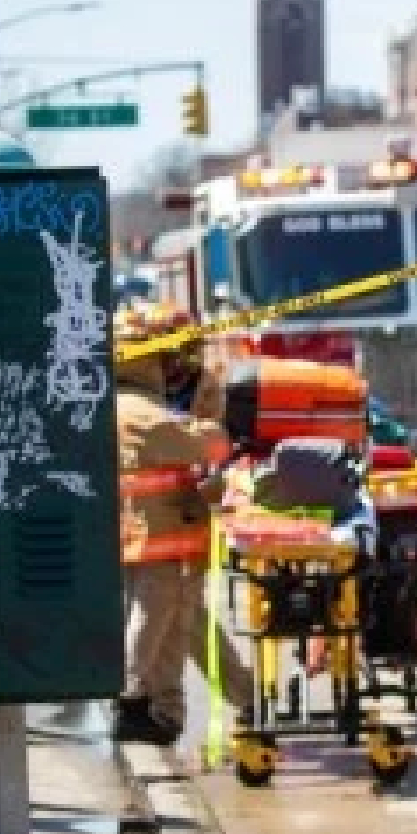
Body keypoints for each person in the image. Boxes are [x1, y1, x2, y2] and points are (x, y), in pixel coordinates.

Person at [113, 303, 250, 747]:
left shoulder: (179, 392)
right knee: (162, 618)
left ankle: (163, 713)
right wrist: (207, 430)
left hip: (167, 528)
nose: (181, 361)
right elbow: (201, 443)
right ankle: (135, 701)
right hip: (155, 534)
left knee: (174, 621)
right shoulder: (143, 409)